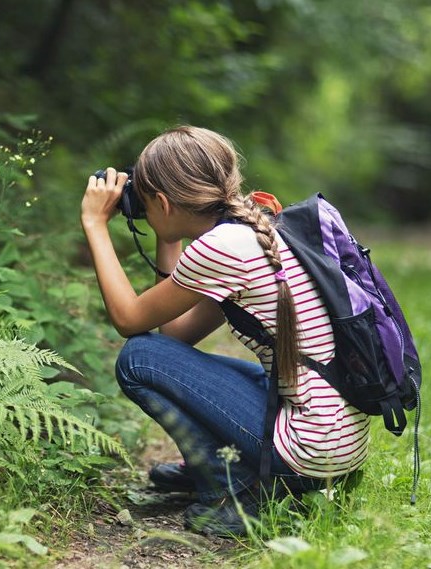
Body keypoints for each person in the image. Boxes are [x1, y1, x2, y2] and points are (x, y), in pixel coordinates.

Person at [79, 125, 369, 537]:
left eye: (147, 203)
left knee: (137, 357)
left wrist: (95, 224)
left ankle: (233, 490)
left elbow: (130, 321)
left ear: (161, 201)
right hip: (338, 443)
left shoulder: (222, 248)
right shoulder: (256, 229)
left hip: (313, 449)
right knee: (188, 363)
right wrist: (168, 234)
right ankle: (237, 466)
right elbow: (177, 335)